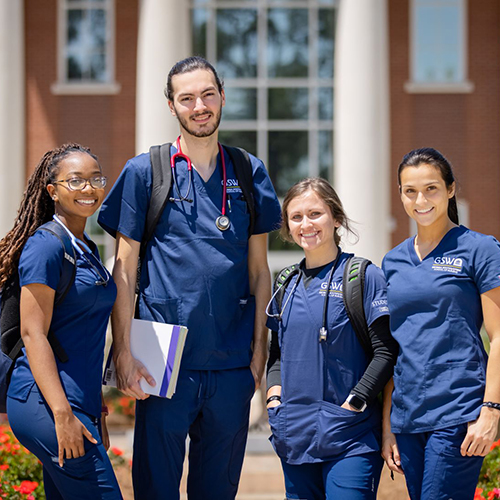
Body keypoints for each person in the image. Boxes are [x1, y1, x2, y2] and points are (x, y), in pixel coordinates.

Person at [97, 56, 281, 500]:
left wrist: (259, 352)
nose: (199, 106)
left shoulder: (247, 171)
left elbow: (260, 272)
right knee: (156, 490)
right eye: (187, 98)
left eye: (208, 94)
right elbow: (122, 268)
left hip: (232, 365)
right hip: (162, 366)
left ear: (221, 96)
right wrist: (121, 350)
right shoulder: (146, 172)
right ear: (171, 105)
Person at [0, 144, 122, 499]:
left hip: (77, 403)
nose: (89, 188)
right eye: (76, 181)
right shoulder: (46, 246)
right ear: (52, 190)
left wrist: (96, 409)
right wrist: (63, 415)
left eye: (96, 179)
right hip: (46, 404)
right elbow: (32, 332)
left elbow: (84, 338)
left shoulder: (87, 248)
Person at [265, 177, 398, 500]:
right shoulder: (285, 283)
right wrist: (274, 400)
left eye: (315, 214)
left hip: (350, 435)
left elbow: (386, 352)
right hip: (295, 434)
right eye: (296, 217)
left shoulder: (363, 276)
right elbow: (277, 355)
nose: (305, 224)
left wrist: (355, 402)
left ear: (336, 219)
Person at [382, 148, 500, 500]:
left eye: (431, 188)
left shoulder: (480, 249)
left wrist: (491, 411)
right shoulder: (392, 261)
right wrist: (389, 426)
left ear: (450, 190)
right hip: (407, 416)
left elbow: (498, 336)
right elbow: (393, 347)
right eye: (410, 191)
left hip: (457, 411)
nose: (421, 200)